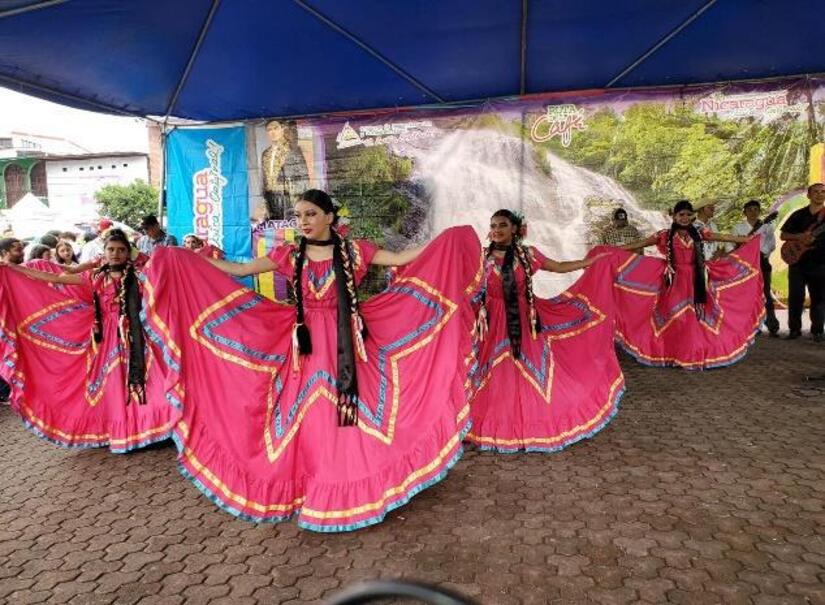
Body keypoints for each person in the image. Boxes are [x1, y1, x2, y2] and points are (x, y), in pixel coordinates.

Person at [141, 189, 481, 531]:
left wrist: (446, 240)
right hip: (304, 349)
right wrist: (186, 259)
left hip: (349, 346)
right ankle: (315, 484)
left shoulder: (355, 251)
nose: (302, 221)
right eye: (299, 215)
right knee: (311, 419)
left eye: (310, 214)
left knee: (350, 415)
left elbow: (401, 258)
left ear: (329, 217)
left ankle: (347, 485)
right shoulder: (289, 254)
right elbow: (239, 269)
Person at [0, 230, 175, 449]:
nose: (116, 254)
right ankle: (121, 430)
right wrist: (15, 269)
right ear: (104, 252)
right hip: (106, 338)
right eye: (111, 249)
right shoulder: (95, 276)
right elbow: (56, 278)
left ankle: (155, 426)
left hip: (138, 337)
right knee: (113, 387)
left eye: (121, 250)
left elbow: (165, 281)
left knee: (153, 379)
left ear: (128, 253)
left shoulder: (140, 276)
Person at [466, 210, 623, 453]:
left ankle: (531, 422)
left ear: (515, 229)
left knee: (527, 368)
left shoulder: (528, 254)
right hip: (491, 322)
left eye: (503, 225)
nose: (496, 230)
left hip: (525, 320)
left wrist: (588, 263)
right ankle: (492, 422)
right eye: (493, 225)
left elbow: (558, 267)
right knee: (494, 371)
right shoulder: (480, 258)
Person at [606, 200, 762, 369]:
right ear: (674, 216)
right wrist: (613, 250)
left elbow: (722, 237)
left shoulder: (699, 233)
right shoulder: (664, 235)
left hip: (696, 281)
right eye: (681, 214)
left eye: (688, 214)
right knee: (675, 317)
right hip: (674, 282)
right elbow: (640, 244)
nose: (685, 218)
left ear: (693, 216)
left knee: (694, 319)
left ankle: (691, 355)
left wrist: (747, 240)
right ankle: (672, 352)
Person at [780, 183, 825, 341]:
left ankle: (817, 331)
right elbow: (783, 235)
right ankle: (794, 330)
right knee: (795, 297)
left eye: (823, 192)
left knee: (819, 298)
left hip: (820, 262)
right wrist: (799, 236)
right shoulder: (798, 215)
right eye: (816, 192)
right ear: (809, 195)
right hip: (797, 263)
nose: (820, 194)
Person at [732, 200, 779, 336]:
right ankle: (751, 326)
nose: (753, 212)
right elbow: (731, 246)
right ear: (745, 212)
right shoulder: (737, 228)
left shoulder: (767, 226)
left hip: (762, 262)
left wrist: (760, 252)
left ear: (759, 212)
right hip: (744, 264)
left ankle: (772, 325)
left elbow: (772, 244)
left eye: (755, 209)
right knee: (746, 295)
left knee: (765, 293)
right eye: (750, 210)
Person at [261, 119, 310, 219]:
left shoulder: (292, 150)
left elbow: (303, 176)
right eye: (269, 130)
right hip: (271, 197)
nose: (272, 132)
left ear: (282, 130)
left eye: (275, 128)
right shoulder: (265, 154)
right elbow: (264, 179)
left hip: (289, 196)